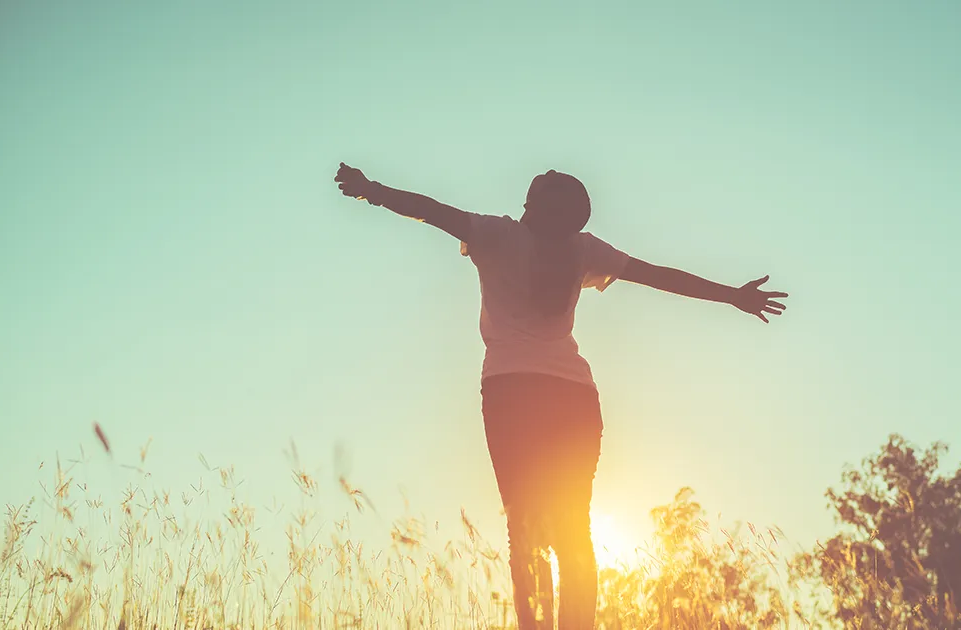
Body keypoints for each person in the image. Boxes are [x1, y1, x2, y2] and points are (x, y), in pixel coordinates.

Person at [333, 164, 788, 630]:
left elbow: (429, 210)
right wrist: (731, 296)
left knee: (525, 530)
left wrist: (372, 191)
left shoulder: (495, 234)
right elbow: (661, 277)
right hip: (572, 396)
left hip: (511, 392)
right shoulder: (581, 249)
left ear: (530, 203)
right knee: (572, 533)